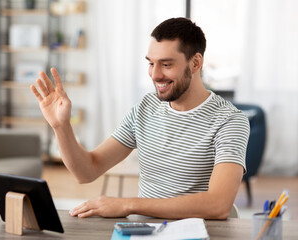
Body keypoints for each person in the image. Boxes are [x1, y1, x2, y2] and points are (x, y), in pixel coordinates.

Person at [30, 17, 250, 219]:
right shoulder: (146, 108)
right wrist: (61, 126)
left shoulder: (229, 121)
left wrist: (128, 205)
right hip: (145, 231)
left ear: (195, 63)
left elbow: (218, 204)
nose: (154, 75)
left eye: (166, 64)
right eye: (151, 63)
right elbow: (86, 171)